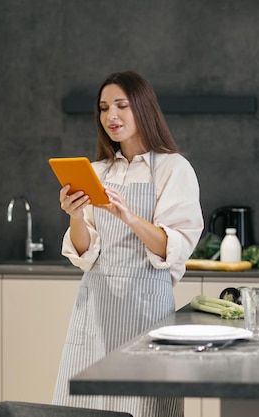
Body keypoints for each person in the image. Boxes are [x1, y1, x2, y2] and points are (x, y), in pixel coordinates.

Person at [52, 71, 204, 417]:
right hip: (95, 309)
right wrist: (75, 216)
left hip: (145, 311)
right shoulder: (97, 171)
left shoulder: (172, 168)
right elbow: (84, 252)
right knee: (84, 408)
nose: (111, 116)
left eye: (121, 106)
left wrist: (128, 216)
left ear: (143, 109)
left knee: (144, 407)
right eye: (104, 108)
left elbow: (174, 245)